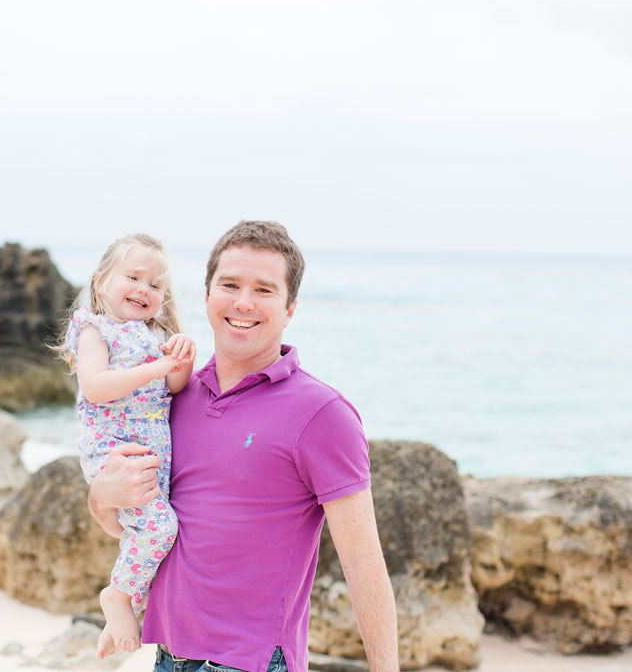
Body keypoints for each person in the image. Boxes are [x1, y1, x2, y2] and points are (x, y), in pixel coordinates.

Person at [87, 221, 398, 672]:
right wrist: (101, 493)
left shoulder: (322, 413)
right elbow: (127, 524)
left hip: (251, 663)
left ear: (290, 308)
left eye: (264, 290)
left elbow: (364, 561)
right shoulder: (170, 396)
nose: (243, 303)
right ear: (208, 295)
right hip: (167, 657)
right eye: (229, 285)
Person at [59, 233, 196, 659]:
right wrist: (157, 364)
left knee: (148, 540)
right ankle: (117, 597)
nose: (144, 289)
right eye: (133, 277)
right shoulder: (94, 330)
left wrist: (181, 361)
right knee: (158, 529)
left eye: (156, 285)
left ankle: (120, 614)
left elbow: (172, 387)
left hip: (150, 457)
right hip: (114, 452)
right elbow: (96, 387)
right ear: (102, 281)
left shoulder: (154, 335)